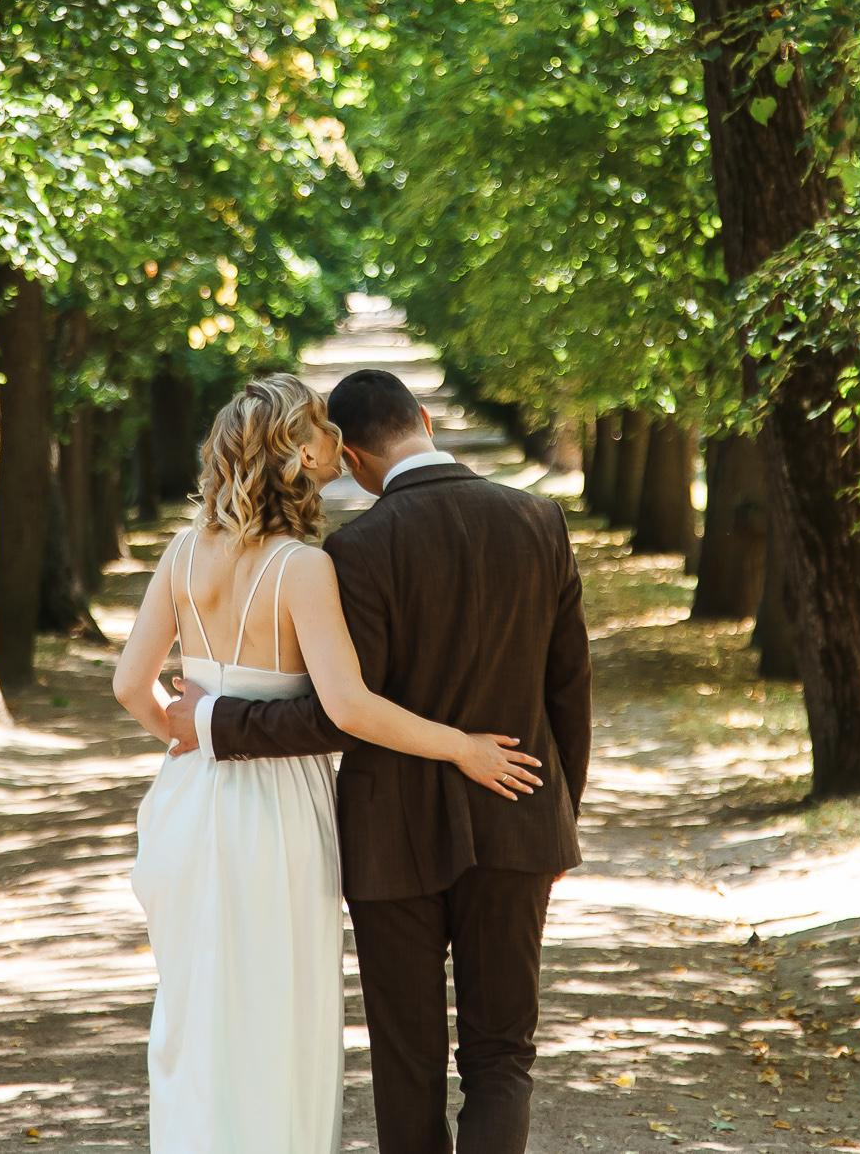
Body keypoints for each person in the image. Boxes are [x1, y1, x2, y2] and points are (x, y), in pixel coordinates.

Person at [113, 373, 545, 1154]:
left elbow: (127, 684)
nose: (335, 444)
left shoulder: (182, 552)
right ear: (297, 451)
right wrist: (462, 745)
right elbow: (347, 709)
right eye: (318, 428)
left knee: (199, 1009)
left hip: (189, 800)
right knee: (281, 1013)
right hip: (277, 809)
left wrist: (186, 733)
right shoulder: (304, 568)